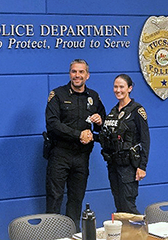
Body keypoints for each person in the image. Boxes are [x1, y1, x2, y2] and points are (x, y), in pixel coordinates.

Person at [45, 59, 106, 231]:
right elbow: (52, 124)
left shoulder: (93, 97)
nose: (77, 75)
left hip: (82, 156)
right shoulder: (57, 95)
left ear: (87, 75)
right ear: (69, 73)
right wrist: (78, 134)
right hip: (60, 154)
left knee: (76, 199)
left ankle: (72, 234)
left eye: (81, 72)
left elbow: (104, 124)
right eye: (74, 71)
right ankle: (52, 235)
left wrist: (100, 122)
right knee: (54, 197)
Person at [99, 74, 150, 214]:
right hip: (114, 164)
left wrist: (142, 166)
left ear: (129, 88)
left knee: (128, 206)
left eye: (121, 86)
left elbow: (145, 140)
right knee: (119, 205)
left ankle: (140, 235)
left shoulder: (137, 110)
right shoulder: (113, 112)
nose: (118, 90)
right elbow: (107, 138)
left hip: (129, 166)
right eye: (115, 87)